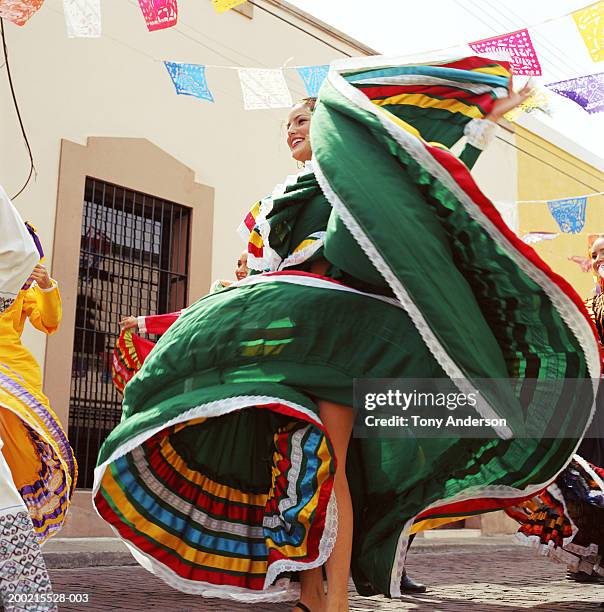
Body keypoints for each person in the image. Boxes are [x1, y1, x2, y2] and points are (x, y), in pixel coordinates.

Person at [93, 55, 599, 611]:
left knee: (332, 469)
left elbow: (425, 187)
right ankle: (313, 593)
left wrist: (480, 127)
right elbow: (267, 277)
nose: (291, 129)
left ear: (332, 129)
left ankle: (333, 600)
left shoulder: (352, 180)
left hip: (339, 339)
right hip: (293, 338)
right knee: (309, 470)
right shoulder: (280, 197)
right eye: (286, 123)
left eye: (304, 121)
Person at [506, 235, 604, 584]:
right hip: (590, 405)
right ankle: (586, 560)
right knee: (584, 482)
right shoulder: (588, 305)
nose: (599, 260)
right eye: (595, 255)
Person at [0, 186, 73, 611]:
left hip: (11, 375)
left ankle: (22, 586)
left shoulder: (20, 275)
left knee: (9, 470)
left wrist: (46, 285)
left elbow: (49, 322)